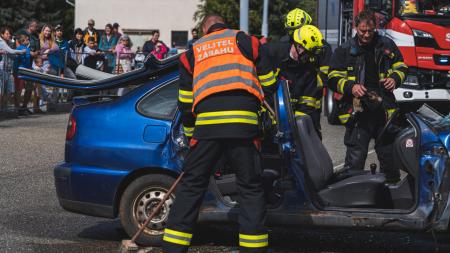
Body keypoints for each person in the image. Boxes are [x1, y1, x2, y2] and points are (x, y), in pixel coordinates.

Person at [161, 14, 277, 253]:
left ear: (205, 29)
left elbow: (185, 104)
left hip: (208, 128)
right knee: (250, 187)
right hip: (243, 125)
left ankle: (173, 247)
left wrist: (193, 136)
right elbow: (269, 80)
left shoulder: (192, 53)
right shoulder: (245, 41)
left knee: (192, 186)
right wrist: (265, 98)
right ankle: (254, 248)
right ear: (224, 25)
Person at [328, 10, 407, 181]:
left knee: (389, 158)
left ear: (375, 27)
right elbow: (332, 77)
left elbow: (401, 66)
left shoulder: (386, 45)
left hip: (384, 110)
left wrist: (394, 79)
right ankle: (352, 197)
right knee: (355, 159)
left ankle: (390, 194)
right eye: (362, 31)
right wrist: (351, 87)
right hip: (358, 112)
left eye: (370, 31)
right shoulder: (345, 50)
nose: (366, 35)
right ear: (356, 27)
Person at [1, 27, 26, 111]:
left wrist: (17, 56)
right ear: (2, 34)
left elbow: (12, 55)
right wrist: (21, 51)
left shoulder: (9, 43)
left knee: (9, 91)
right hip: (1, 70)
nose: (9, 35)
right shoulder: (1, 42)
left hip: (8, 70)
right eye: (7, 34)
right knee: (1, 91)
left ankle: (4, 107)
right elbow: (10, 51)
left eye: (9, 34)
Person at [13, 34, 32, 115]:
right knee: (18, 90)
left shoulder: (27, 49)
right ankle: (17, 108)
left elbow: (28, 62)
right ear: (23, 41)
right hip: (20, 71)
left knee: (29, 88)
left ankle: (24, 107)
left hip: (27, 72)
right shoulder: (18, 49)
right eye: (27, 39)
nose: (28, 40)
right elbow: (16, 61)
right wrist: (15, 71)